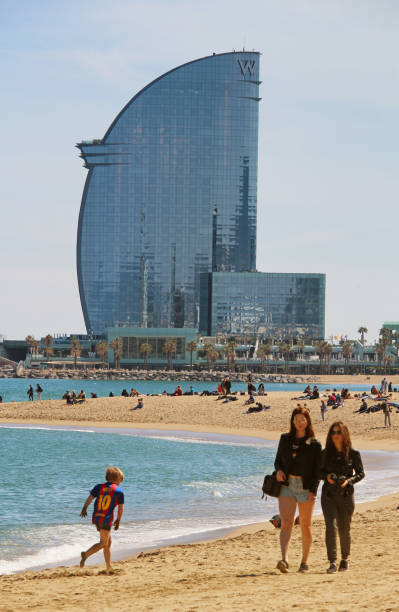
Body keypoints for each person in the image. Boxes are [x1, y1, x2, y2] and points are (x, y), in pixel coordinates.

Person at [274, 405, 322, 573]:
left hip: (305, 487)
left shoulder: (314, 444)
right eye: (297, 420)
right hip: (287, 486)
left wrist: (313, 491)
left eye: (303, 420)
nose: (300, 423)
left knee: (305, 525)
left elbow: (318, 471)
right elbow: (278, 461)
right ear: (292, 421)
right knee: (286, 523)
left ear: (308, 422)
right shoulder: (285, 439)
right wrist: (279, 470)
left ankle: (304, 562)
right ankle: (284, 560)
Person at [320, 422, 365, 573]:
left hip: (346, 495)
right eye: (333, 433)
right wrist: (327, 477)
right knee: (330, 527)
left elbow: (361, 473)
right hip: (328, 495)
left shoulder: (353, 454)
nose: (336, 435)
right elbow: (317, 472)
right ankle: (332, 562)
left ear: (344, 434)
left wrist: (348, 481)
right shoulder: (325, 453)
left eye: (338, 432)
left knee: (344, 529)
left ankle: (344, 559)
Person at [79, 465, 124, 573]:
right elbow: (120, 509)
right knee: (103, 543)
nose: (120, 482)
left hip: (97, 518)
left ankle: (108, 567)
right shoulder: (118, 491)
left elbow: (90, 498)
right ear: (117, 479)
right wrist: (118, 520)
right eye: (120, 480)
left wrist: (84, 508)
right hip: (106, 519)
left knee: (108, 542)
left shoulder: (98, 487)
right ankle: (86, 554)